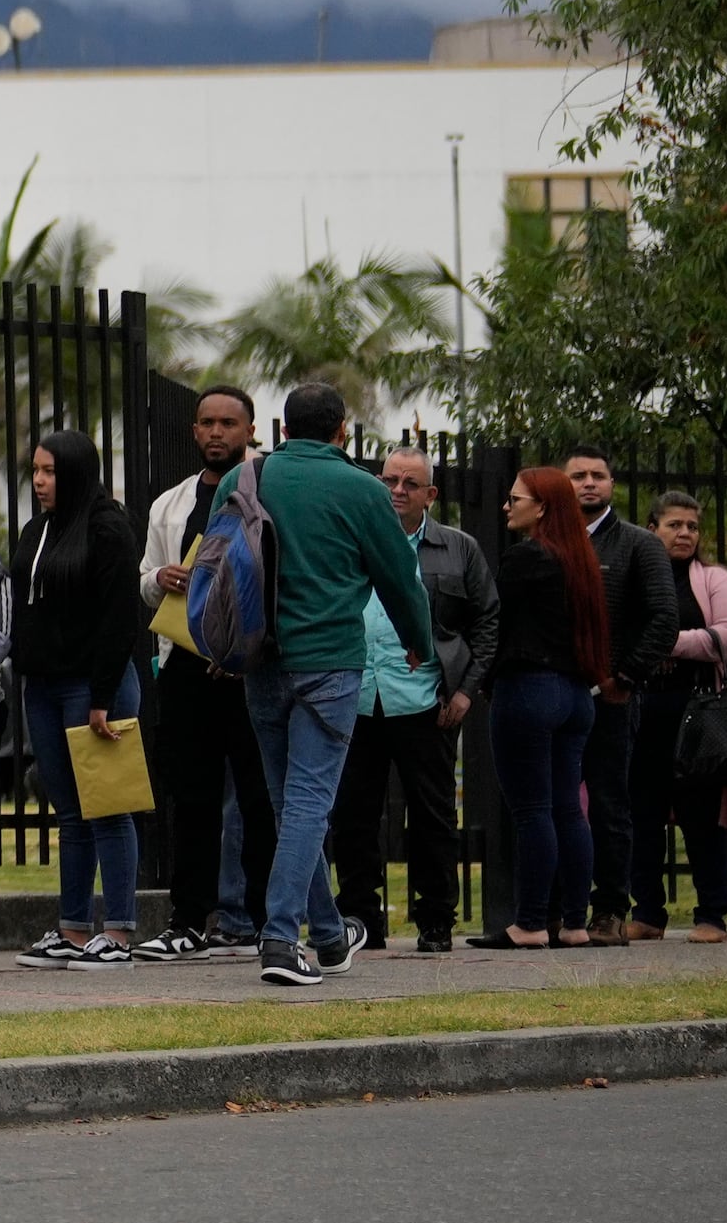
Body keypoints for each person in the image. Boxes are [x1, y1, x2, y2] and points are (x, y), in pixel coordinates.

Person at [237, 380, 441, 986]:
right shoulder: (361, 489)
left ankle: (328, 936)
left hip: (260, 660)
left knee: (288, 805)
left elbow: (217, 564)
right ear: (342, 431)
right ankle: (280, 938)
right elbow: (399, 576)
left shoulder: (246, 479)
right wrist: (418, 640)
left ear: (283, 429)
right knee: (308, 803)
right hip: (329, 662)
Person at [133, 384, 281, 961]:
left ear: (250, 431)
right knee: (190, 799)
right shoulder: (170, 503)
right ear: (194, 431)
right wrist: (159, 579)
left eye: (228, 423)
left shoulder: (268, 491)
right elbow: (145, 578)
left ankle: (266, 920)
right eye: (207, 423)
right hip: (185, 668)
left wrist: (250, 652)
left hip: (248, 671)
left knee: (259, 798)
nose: (216, 432)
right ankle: (188, 921)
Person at [336, 443, 490, 957]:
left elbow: (487, 622)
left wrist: (465, 690)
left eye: (409, 483)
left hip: (426, 701)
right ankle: (360, 919)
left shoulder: (459, 548)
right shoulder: (351, 539)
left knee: (433, 815)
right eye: (389, 480)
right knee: (354, 815)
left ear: (431, 494)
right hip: (357, 697)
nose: (397, 491)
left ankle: (436, 920)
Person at [9, 426, 151, 966]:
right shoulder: (38, 527)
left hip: (94, 687)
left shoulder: (108, 527)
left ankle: (117, 932)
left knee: (107, 807)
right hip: (43, 686)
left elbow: (119, 620)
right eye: (36, 470)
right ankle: (72, 929)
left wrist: (101, 696)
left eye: (50, 471)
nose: (40, 481)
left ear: (75, 472)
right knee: (69, 811)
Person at [486, 464, 617, 947]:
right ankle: (575, 924)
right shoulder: (580, 560)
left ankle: (530, 922)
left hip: (528, 688)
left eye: (515, 499)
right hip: (576, 694)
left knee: (531, 810)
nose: (507, 506)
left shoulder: (526, 557)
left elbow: (496, 624)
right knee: (568, 809)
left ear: (541, 508)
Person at [565, 447, 683, 937]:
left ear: (612, 484)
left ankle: (611, 909)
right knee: (554, 804)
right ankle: (556, 910)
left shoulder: (639, 544)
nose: (589, 483)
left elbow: (664, 619)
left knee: (610, 805)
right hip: (555, 694)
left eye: (598, 475)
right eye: (578, 475)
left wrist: (626, 678)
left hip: (611, 697)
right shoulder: (547, 542)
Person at [633, 494, 727, 939]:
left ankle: (711, 915)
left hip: (700, 711)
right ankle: (647, 913)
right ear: (651, 529)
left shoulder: (714, 578)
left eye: (692, 526)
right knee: (641, 815)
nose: (684, 533)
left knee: (703, 815)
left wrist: (667, 643)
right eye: (674, 525)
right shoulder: (634, 578)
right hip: (642, 709)